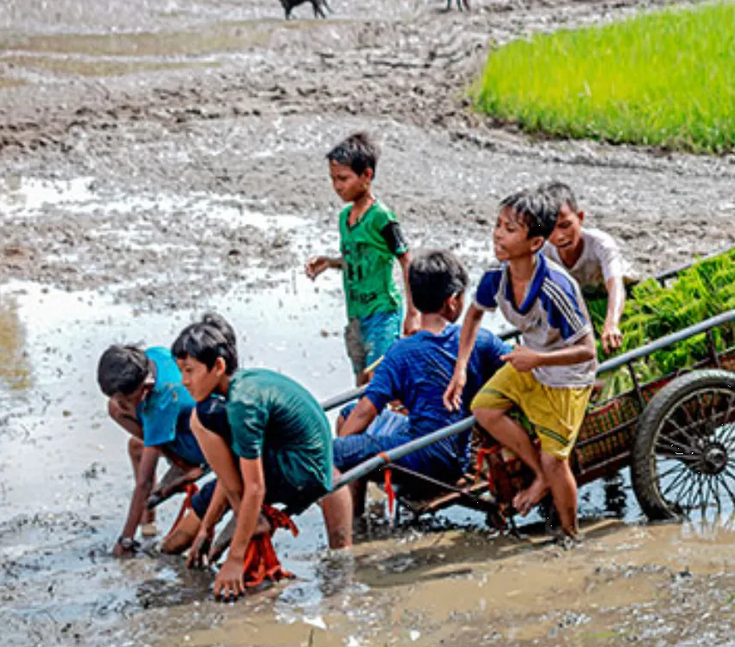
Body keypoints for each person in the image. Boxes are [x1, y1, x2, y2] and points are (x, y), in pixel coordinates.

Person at [444, 188, 597, 541]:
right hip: (530, 362)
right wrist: (461, 366)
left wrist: (538, 358)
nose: (498, 234)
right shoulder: (496, 277)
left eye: (510, 229)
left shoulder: (555, 288)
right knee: (483, 407)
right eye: (498, 225)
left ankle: (572, 534)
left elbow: (588, 351)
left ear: (535, 242)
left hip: (565, 376)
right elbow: (473, 316)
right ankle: (539, 474)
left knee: (555, 461)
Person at [163, 318, 353, 600]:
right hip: (290, 460)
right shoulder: (239, 386)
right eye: (181, 371)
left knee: (199, 418)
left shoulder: (242, 404)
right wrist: (208, 527)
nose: (185, 381)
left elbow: (254, 487)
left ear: (218, 367)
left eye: (190, 371)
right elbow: (231, 477)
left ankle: (251, 520)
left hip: (303, 473)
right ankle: (228, 522)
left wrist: (235, 559)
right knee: (202, 419)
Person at [333, 249, 511, 518]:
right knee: (347, 417)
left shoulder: (401, 351)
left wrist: (345, 452)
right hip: (452, 452)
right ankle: (355, 514)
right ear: (453, 302)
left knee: (336, 448)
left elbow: (367, 411)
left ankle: (351, 520)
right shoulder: (481, 340)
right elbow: (512, 371)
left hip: (427, 455)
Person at [306, 132, 420, 385]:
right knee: (361, 382)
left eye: (344, 179)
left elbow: (406, 260)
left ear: (366, 176)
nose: (337, 186)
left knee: (380, 381)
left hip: (382, 312)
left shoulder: (382, 217)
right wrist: (331, 262)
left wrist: (413, 312)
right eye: (333, 179)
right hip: (355, 315)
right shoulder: (345, 217)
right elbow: (355, 259)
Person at [97, 339, 207, 557]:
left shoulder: (163, 400)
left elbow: (144, 482)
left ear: (146, 388)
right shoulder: (153, 356)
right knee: (132, 438)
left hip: (200, 443)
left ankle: (185, 463)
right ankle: (149, 522)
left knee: (142, 450)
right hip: (183, 421)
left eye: (128, 400)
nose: (124, 406)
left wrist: (126, 540)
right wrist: (125, 404)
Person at [540, 181, 636, 354]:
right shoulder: (544, 255)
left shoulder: (600, 244)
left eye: (565, 225)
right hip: (584, 303)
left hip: (623, 296)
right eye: (549, 229)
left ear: (580, 218)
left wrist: (611, 324)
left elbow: (615, 285)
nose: (559, 236)